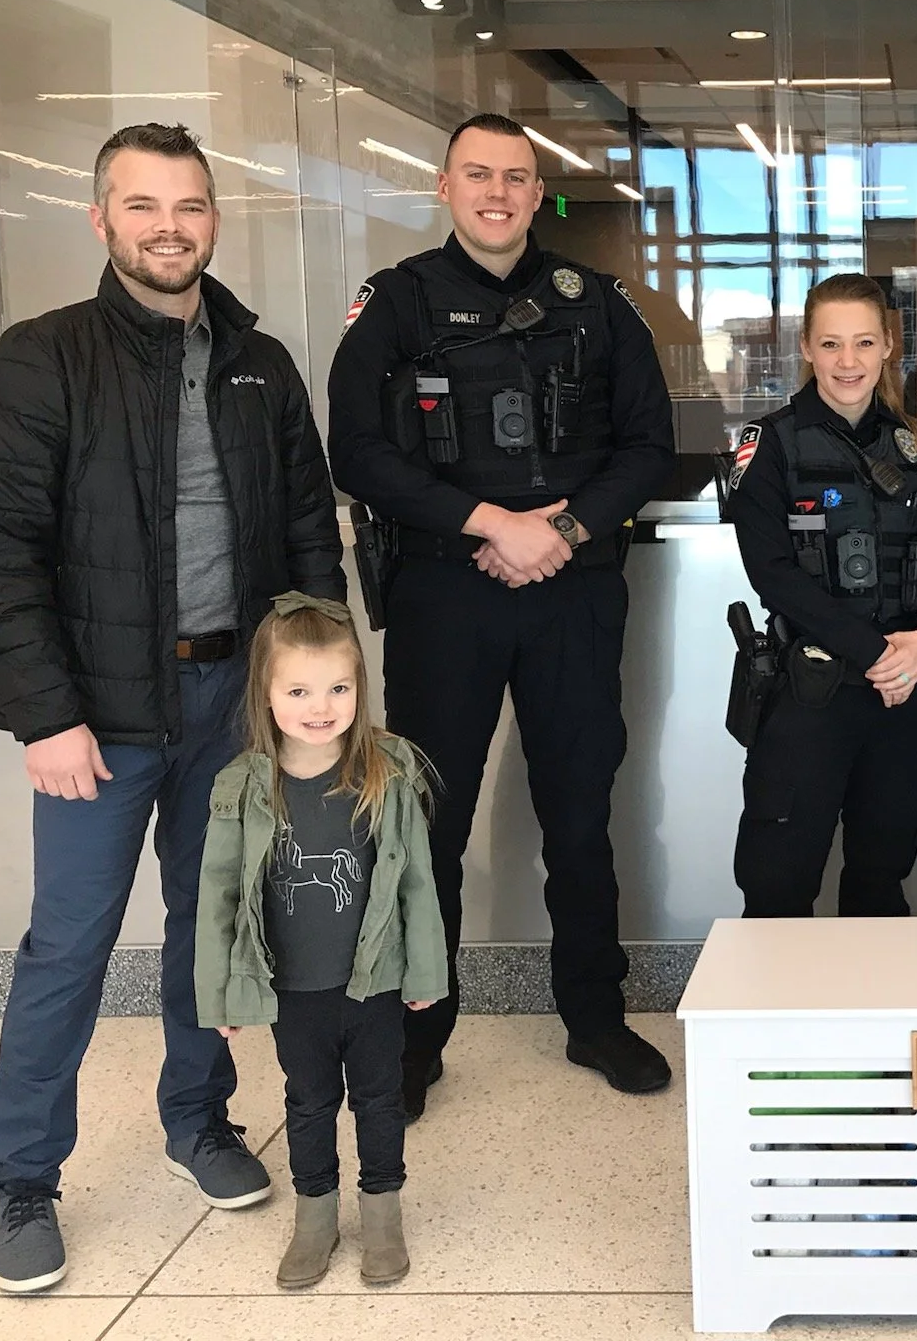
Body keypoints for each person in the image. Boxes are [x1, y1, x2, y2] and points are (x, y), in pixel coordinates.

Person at [0, 123, 346, 1293]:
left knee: (211, 925)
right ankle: (24, 1182)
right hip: (99, 713)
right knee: (65, 949)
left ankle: (198, 1122)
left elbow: (307, 534)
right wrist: (45, 714)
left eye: (189, 205)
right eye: (142, 206)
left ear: (214, 217)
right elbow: (6, 556)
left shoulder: (259, 362)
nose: (169, 227)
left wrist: (309, 697)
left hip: (235, 700)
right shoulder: (40, 360)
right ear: (100, 219)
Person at [326, 112, 677, 1118]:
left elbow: (646, 447)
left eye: (517, 177)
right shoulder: (395, 303)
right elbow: (357, 452)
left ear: (539, 193)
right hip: (444, 593)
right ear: (444, 187)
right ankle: (415, 1033)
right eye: (477, 174)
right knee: (426, 821)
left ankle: (594, 1018)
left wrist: (558, 530)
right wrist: (489, 520)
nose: (497, 191)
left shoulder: (597, 303)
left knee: (579, 811)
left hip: (571, 590)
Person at [196, 593, 448, 1288]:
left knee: (378, 1099)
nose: (321, 705)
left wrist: (425, 973)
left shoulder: (386, 770)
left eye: (338, 687)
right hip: (293, 992)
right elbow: (218, 898)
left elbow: (418, 882)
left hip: (372, 983)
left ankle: (382, 1217)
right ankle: (315, 1216)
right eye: (299, 689)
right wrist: (222, 991)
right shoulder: (242, 787)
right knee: (307, 1103)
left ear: (359, 686)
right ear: (267, 694)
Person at [727, 274, 917, 917]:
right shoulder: (769, 444)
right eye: (830, 344)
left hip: (904, 696)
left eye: (864, 342)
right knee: (777, 885)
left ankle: (872, 1018)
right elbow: (773, 572)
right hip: (811, 695)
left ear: (888, 345)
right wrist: (876, 655)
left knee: (880, 880)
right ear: (806, 347)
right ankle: (778, 1019)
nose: (847, 361)